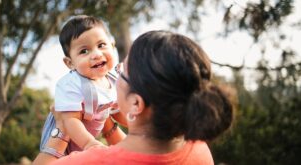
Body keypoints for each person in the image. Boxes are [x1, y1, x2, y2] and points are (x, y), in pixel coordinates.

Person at [33, 30, 234, 165]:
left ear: (136, 103)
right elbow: (134, 152)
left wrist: (62, 126)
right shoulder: (198, 149)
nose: (113, 75)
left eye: (121, 72)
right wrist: (108, 126)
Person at [40, 15, 126, 154]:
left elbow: (116, 111)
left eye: (101, 45)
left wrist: (138, 126)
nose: (96, 54)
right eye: (84, 51)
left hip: (84, 145)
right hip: (62, 145)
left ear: (112, 45)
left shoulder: (113, 78)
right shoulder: (71, 84)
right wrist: (88, 143)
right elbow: (70, 121)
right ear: (70, 63)